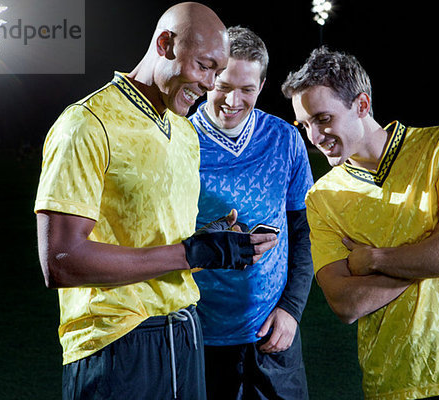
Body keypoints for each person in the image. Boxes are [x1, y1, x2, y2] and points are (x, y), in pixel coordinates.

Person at [34, 4, 278, 399]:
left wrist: (209, 241)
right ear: (166, 44)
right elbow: (60, 260)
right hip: (115, 342)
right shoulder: (86, 124)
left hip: (184, 333)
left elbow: (159, 239)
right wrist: (190, 253)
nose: (211, 83)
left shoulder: (184, 132)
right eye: (205, 66)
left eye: (217, 72)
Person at [281, 47, 439, 400]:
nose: (314, 137)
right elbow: (346, 303)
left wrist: (375, 261)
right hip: (396, 382)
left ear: (362, 105)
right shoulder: (322, 197)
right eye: (305, 125)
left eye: (322, 118)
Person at [189, 26, 314, 399]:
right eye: (223, 86)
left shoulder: (285, 139)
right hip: (199, 333)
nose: (232, 100)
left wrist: (291, 309)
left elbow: (305, 230)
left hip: (274, 333)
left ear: (262, 85)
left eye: (246, 89)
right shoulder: (178, 141)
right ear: (208, 78)